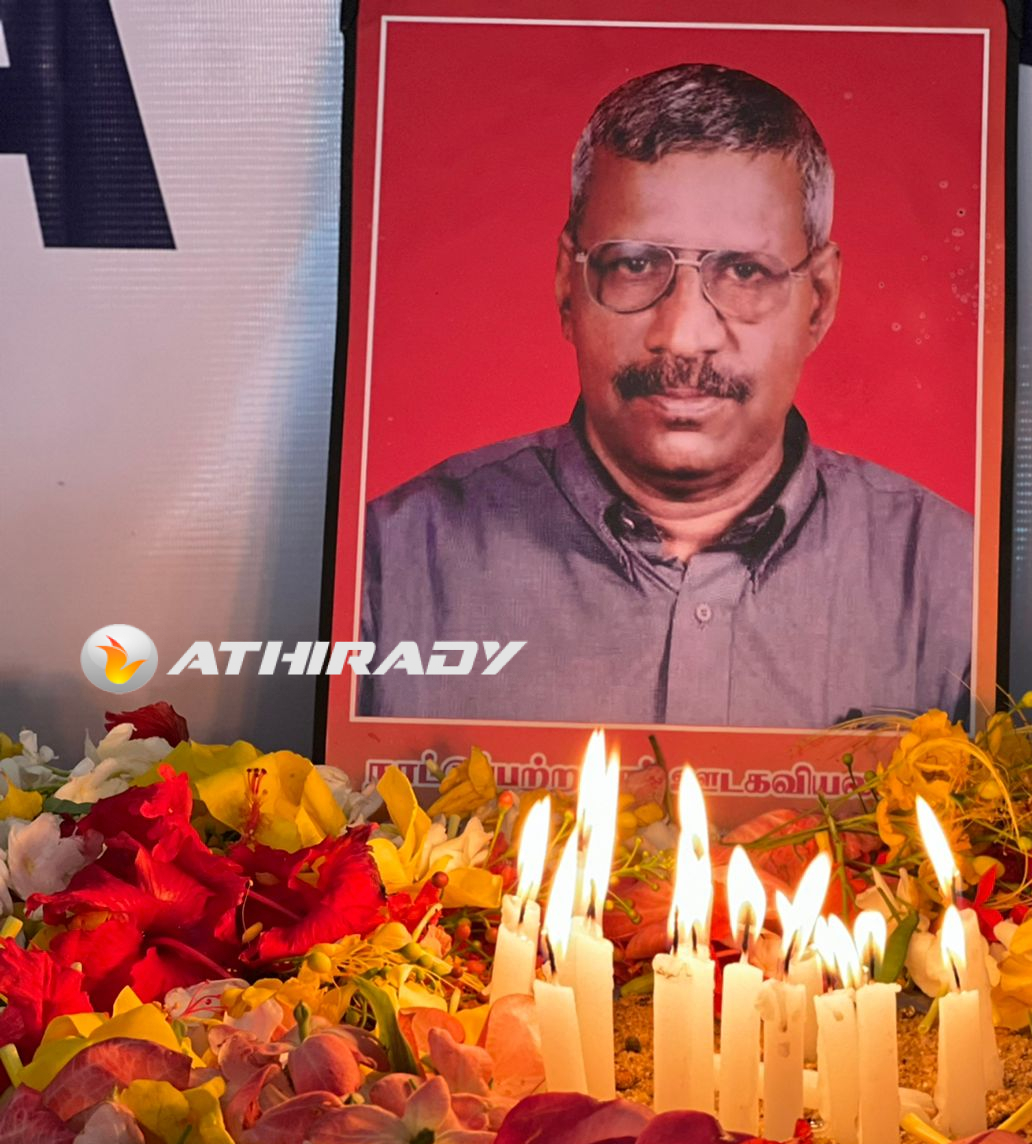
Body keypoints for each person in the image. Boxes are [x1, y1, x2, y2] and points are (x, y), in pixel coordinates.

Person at [360, 63, 973, 728]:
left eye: (744, 271)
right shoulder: (387, 567)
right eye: (634, 264)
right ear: (568, 286)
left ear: (818, 301)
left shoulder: (952, 577)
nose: (682, 335)